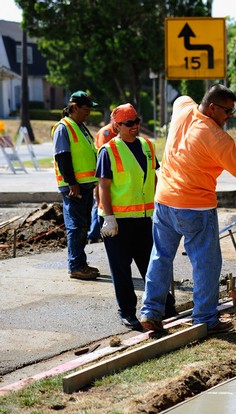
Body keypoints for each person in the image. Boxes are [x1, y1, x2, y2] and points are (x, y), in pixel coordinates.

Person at [140, 84, 236, 334]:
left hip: (165, 202)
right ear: (212, 108)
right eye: (227, 112)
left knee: (161, 257)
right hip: (195, 208)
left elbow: (181, 98)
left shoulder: (183, 110)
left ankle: (150, 312)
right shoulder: (215, 137)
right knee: (206, 263)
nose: (229, 117)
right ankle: (204, 319)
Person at [95, 103, 177, 330]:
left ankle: (165, 306)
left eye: (136, 122)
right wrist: (108, 217)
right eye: (128, 123)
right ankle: (128, 312)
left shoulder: (147, 146)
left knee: (151, 265)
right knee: (121, 269)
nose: (134, 127)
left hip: (144, 218)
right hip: (118, 222)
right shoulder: (108, 150)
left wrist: (163, 204)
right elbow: (103, 186)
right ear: (117, 125)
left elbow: (153, 177)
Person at [52, 90, 100, 280]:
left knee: (83, 225)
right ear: (74, 107)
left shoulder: (80, 127)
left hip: (85, 185)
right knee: (76, 226)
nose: (88, 112)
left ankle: (80, 262)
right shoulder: (64, 128)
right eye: (85, 108)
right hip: (75, 187)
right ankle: (76, 266)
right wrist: (72, 183)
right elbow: (63, 157)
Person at [88, 121, 118, 243]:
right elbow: (103, 153)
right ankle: (94, 233)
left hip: (111, 173)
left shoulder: (115, 131)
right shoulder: (106, 132)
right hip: (104, 172)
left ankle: (95, 232)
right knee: (99, 201)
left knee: (100, 201)